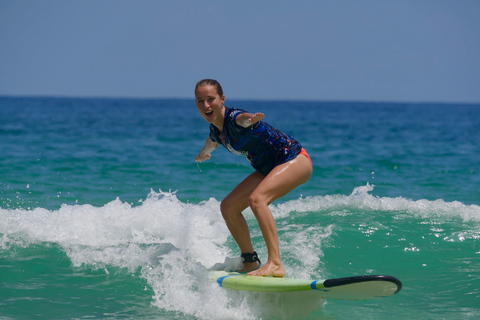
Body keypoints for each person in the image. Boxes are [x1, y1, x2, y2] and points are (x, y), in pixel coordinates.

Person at [194, 79, 313, 277]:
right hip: (268, 168)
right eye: (200, 101)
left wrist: (251, 119)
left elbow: (243, 118)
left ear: (222, 99)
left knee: (257, 200)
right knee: (229, 207)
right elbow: (212, 142)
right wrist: (204, 153)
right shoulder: (216, 130)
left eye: (211, 99)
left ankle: (275, 263)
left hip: (295, 159)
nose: (206, 105)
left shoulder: (234, 118)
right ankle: (249, 261)